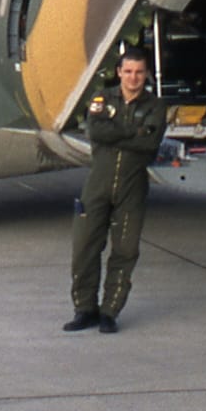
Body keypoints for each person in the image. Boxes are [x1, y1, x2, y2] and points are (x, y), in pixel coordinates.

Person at [65, 46, 168, 334]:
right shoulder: (101, 98)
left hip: (131, 189)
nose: (133, 78)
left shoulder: (156, 106)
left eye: (139, 72)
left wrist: (118, 133)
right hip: (97, 185)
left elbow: (150, 143)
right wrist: (133, 132)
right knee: (84, 248)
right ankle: (84, 308)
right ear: (118, 72)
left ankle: (110, 311)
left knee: (125, 250)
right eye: (128, 72)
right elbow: (96, 132)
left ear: (146, 74)